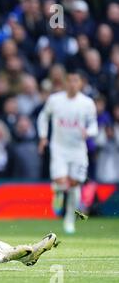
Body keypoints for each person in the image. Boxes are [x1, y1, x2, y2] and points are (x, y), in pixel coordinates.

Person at [37, 70, 98, 234]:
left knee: (74, 185)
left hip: (78, 150)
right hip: (59, 148)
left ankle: (70, 219)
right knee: (62, 181)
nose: (72, 84)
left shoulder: (87, 103)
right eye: (69, 80)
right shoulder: (55, 100)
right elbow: (43, 117)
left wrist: (89, 133)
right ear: (65, 83)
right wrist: (43, 137)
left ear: (81, 83)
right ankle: (58, 190)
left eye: (75, 81)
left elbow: (94, 125)